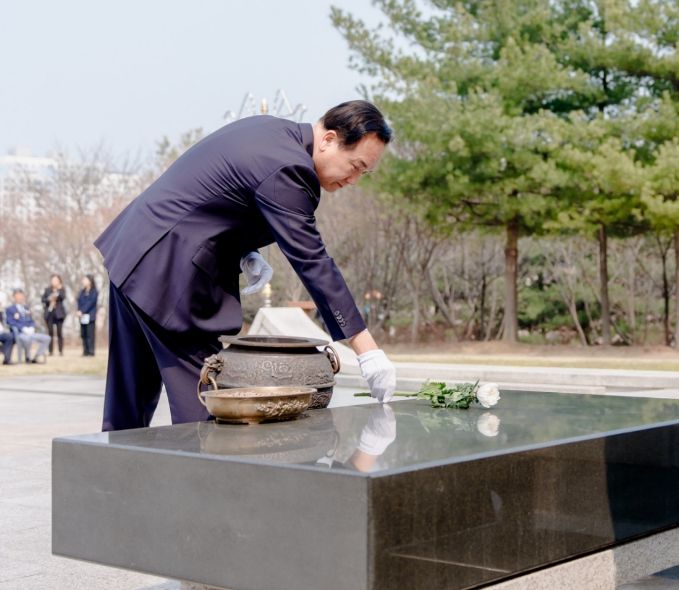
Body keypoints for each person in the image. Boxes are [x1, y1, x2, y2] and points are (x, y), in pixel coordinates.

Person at [95, 100, 397, 432]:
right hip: (170, 276)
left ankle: (109, 467)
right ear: (328, 139)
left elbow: (216, 196)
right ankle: (204, 467)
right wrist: (366, 350)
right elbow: (312, 261)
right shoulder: (289, 168)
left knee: (127, 405)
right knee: (209, 406)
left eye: (364, 173)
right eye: (355, 166)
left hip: (133, 252)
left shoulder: (270, 131)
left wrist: (245, 249)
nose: (354, 179)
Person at [6, 289, 51, 363]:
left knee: (47, 338)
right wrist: (22, 328)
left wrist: (32, 327)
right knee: (27, 339)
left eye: (21, 296)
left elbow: (31, 320)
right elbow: (10, 322)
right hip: (20, 333)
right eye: (18, 296)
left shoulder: (26, 308)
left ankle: (36, 357)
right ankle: (28, 358)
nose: (20, 298)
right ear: (14, 297)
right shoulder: (10, 309)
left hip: (30, 332)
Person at [42, 274, 67, 356]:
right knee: (50, 333)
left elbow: (63, 297)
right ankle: (50, 351)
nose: (54, 282)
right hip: (50, 313)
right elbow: (43, 299)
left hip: (59, 314)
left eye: (56, 280)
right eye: (53, 280)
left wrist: (58, 291)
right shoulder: (47, 290)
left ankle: (60, 351)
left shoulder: (61, 289)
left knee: (59, 333)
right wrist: (49, 299)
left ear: (59, 281)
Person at [77, 275, 98, 356]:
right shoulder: (82, 292)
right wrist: (79, 311)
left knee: (90, 335)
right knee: (83, 334)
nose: (83, 281)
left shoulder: (94, 292)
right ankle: (85, 351)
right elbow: (78, 301)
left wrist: (82, 311)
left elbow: (91, 303)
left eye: (85, 280)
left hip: (90, 316)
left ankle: (91, 352)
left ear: (90, 281)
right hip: (82, 317)